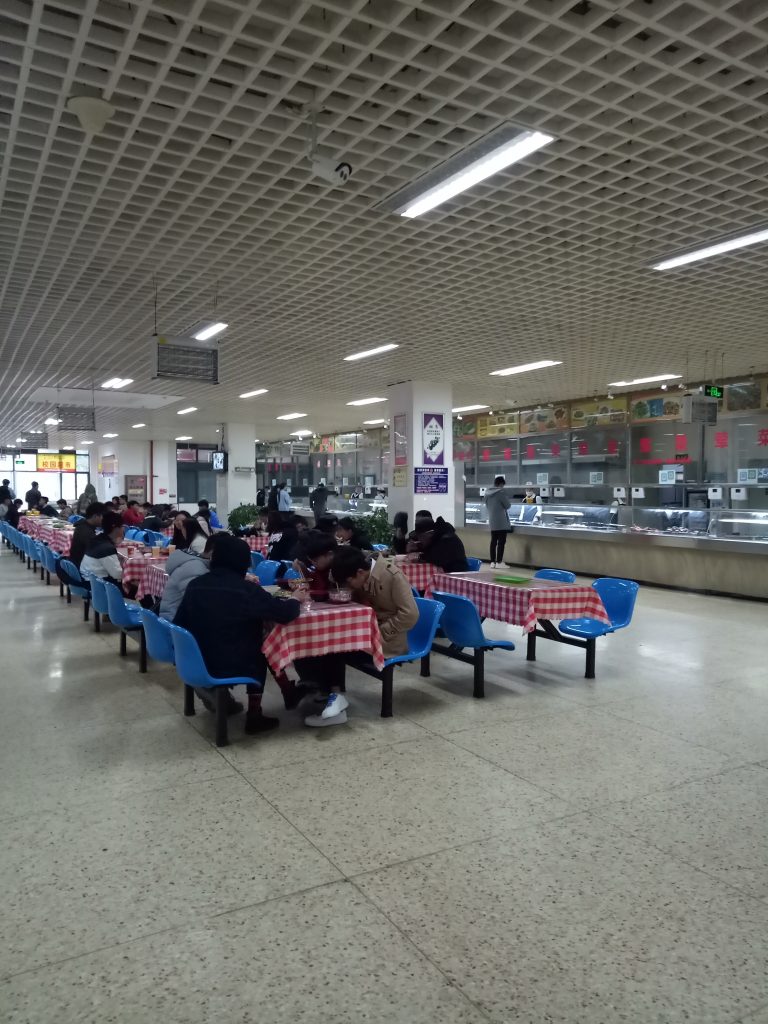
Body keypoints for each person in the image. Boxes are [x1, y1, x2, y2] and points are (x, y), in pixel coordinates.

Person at [174, 534, 305, 734]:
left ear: (215, 558)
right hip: (227, 664)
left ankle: (288, 693)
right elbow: (285, 614)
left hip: (193, 659)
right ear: (244, 562)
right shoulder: (245, 590)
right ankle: (256, 715)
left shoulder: (196, 585)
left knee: (252, 639)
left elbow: (179, 623)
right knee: (264, 646)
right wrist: (295, 598)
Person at [311, 547, 419, 728]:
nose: (350, 587)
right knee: (328, 642)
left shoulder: (392, 576)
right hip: (367, 630)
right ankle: (334, 696)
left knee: (336, 646)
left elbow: (410, 615)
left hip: (388, 638)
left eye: (349, 582)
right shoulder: (363, 574)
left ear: (360, 572)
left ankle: (335, 698)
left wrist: (381, 632)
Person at [160, 532, 221, 621]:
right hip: (173, 622)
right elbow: (196, 604)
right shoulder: (195, 568)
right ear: (213, 553)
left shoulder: (197, 563)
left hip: (173, 618)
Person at [290, 530, 338, 600]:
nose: (313, 563)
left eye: (315, 560)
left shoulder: (339, 569)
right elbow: (314, 581)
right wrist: (303, 569)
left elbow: (325, 592)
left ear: (330, 555)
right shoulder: (321, 569)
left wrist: (332, 583)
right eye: (311, 561)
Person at [80, 510, 124, 584]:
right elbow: (117, 574)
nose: (123, 529)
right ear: (115, 528)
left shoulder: (97, 540)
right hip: (97, 584)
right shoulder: (107, 548)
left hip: (88, 578)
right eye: (122, 526)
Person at [485, 475, 512, 568]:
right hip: (501, 522)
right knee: (501, 542)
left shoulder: (487, 493)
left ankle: (492, 562)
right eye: (503, 485)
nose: (503, 487)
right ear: (501, 484)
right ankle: (499, 562)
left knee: (493, 542)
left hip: (492, 520)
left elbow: (486, 505)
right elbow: (508, 505)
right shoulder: (500, 493)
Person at [69, 502, 105, 566]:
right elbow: (98, 553)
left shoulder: (82, 525)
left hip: (76, 562)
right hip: (82, 566)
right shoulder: (87, 532)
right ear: (95, 516)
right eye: (103, 517)